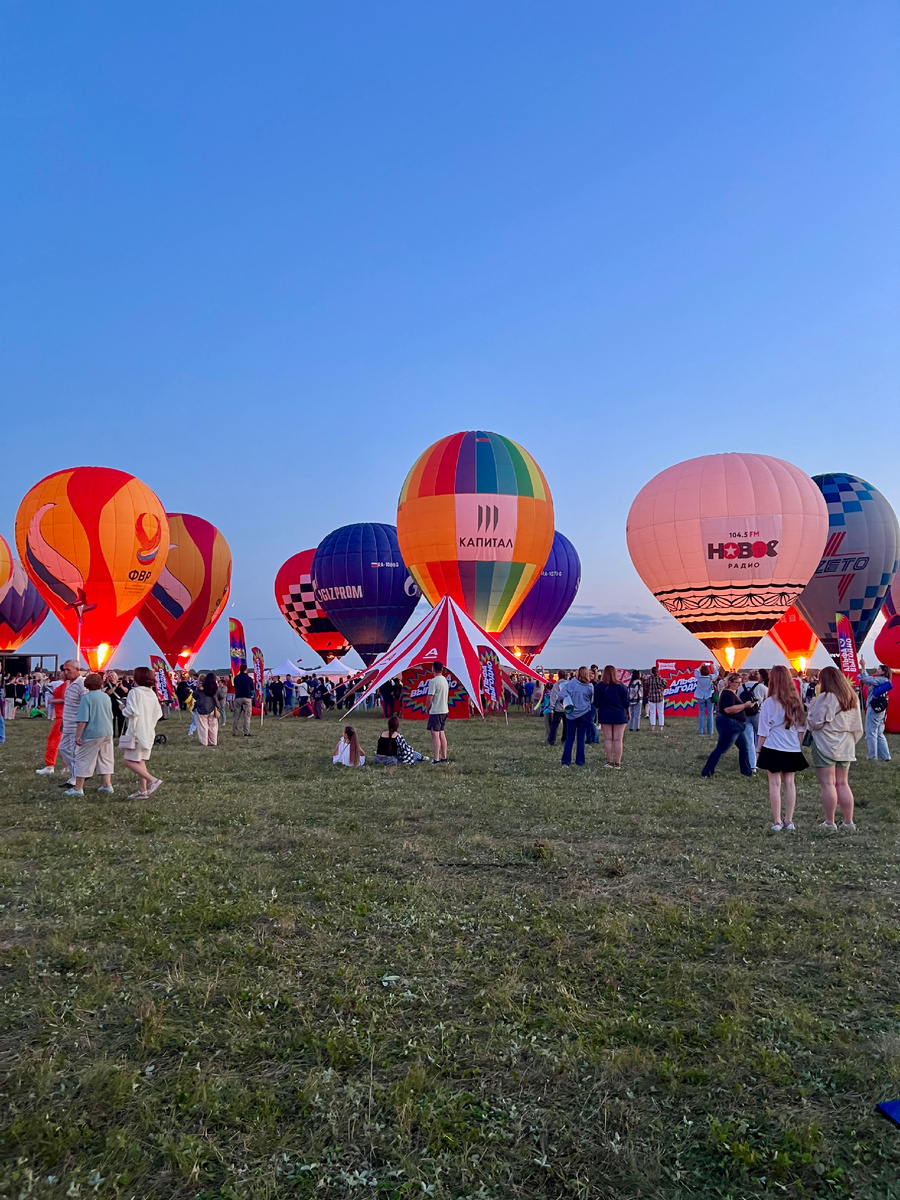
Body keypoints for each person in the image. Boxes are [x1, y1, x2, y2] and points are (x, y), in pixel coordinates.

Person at [807, 666, 864, 832]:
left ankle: (830, 822)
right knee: (843, 783)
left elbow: (815, 721)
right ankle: (848, 822)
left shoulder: (826, 697)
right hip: (846, 742)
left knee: (828, 783)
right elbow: (857, 724)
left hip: (826, 741)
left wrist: (810, 709)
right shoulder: (851, 696)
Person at [756, 664, 809, 832]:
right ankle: (789, 820)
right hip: (792, 747)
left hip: (772, 746)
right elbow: (801, 729)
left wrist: (758, 750)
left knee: (774, 783)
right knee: (790, 783)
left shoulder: (769, 702)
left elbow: (763, 730)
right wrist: (797, 745)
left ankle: (777, 821)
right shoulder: (796, 703)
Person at [66, 672, 115, 796]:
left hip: (92, 732)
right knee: (106, 757)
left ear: (86, 684)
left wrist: (78, 736)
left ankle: (78, 788)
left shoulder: (86, 698)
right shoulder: (106, 696)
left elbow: (83, 719)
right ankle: (107, 784)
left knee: (82, 759)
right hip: (107, 731)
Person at [120, 665, 164, 798]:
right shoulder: (151, 693)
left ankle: (153, 780)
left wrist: (123, 708)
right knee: (140, 761)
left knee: (129, 761)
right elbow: (158, 713)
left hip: (137, 731)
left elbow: (132, 711)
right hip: (148, 730)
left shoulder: (134, 692)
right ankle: (143, 790)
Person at [701, 672, 755, 778]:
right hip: (730, 724)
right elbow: (728, 709)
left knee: (745, 748)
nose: (739, 685)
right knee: (721, 749)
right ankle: (706, 771)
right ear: (730, 682)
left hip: (736, 725)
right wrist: (744, 705)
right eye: (737, 683)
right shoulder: (728, 694)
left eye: (741, 682)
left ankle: (747, 772)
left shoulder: (731, 693)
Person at [593, 665, 629, 769]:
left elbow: (596, 703)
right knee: (618, 739)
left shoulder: (600, 686)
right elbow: (626, 702)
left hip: (605, 713)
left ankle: (610, 762)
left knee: (608, 739)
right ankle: (617, 763)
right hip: (619, 714)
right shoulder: (621, 686)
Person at [58, 660, 86, 787]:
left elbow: (85, 705)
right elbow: (68, 705)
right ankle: (76, 773)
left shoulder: (82, 684)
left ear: (77, 669)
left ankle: (76, 777)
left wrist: (82, 725)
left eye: (68, 669)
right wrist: (63, 721)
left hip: (76, 725)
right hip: (68, 722)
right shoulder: (69, 684)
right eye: (64, 669)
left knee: (76, 752)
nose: (66, 672)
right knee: (63, 748)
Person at [559, 666, 595, 768]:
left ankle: (566, 761)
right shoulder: (590, 686)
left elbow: (561, 695)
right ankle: (580, 761)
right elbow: (592, 700)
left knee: (569, 738)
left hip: (571, 714)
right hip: (584, 713)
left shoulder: (571, 684)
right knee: (581, 739)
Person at [858, 658, 893, 761]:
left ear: (883, 672)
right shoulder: (884, 681)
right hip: (880, 709)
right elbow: (865, 679)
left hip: (874, 708)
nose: (877, 670)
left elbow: (867, 679)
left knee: (871, 732)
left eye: (879, 669)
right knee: (879, 733)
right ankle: (886, 756)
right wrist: (862, 671)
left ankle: (872, 756)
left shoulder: (880, 680)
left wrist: (863, 666)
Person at [36, 675, 68, 775]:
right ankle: (66, 766)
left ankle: (51, 766)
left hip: (62, 717)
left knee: (54, 741)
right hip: (62, 716)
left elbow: (65, 699)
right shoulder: (68, 684)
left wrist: (53, 700)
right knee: (63, 742)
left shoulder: (67, 685)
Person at [425, 662, 450, 763]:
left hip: (436, 711)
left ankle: (436, 759)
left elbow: (429, 698)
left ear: (433, 669)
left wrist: (428, 708)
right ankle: (444, 757)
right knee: (441, 733)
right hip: (444, 710)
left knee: (435, 734)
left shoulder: (433, 681)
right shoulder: (445, 680)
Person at [193, 673, 220, 746]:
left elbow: (194, 695)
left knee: (203, 726)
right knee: (213, 726)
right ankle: (213, 741)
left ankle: (204, 742)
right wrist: (218, 707)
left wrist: (198, 689)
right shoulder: (213, 688)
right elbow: (216, 698)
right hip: (212, 708)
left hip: (202, 708)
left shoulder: (201, 688)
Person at [232, 665, 254, 736]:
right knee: (247, 716)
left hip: (238, 697)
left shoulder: (236, 678)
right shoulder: (249, 679)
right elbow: (252, 688)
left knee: (236, 716)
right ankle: (246, 732)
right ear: (246, 670)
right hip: (247, 697)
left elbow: (235, 685)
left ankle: (234, 732)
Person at [693, 664, 715, 735]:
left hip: (700, 696)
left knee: (701, 713)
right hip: (709, 695)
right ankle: (710, 731)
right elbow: (717, 673)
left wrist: (700, 666)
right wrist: (712, 667)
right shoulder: (710, 677)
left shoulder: (699, 677)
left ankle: (701, 731)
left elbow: (695, 671)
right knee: (710, 714)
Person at [645, 666, 666, 731]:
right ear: (657, 672)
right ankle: (661, 727)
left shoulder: (648, 679)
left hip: (651, 697)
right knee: (661, 712)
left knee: (652, 712)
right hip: (659, 697)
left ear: (651, 672)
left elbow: (646, 687)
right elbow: (665, 686)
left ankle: (653, 727)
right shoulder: (661, 679)